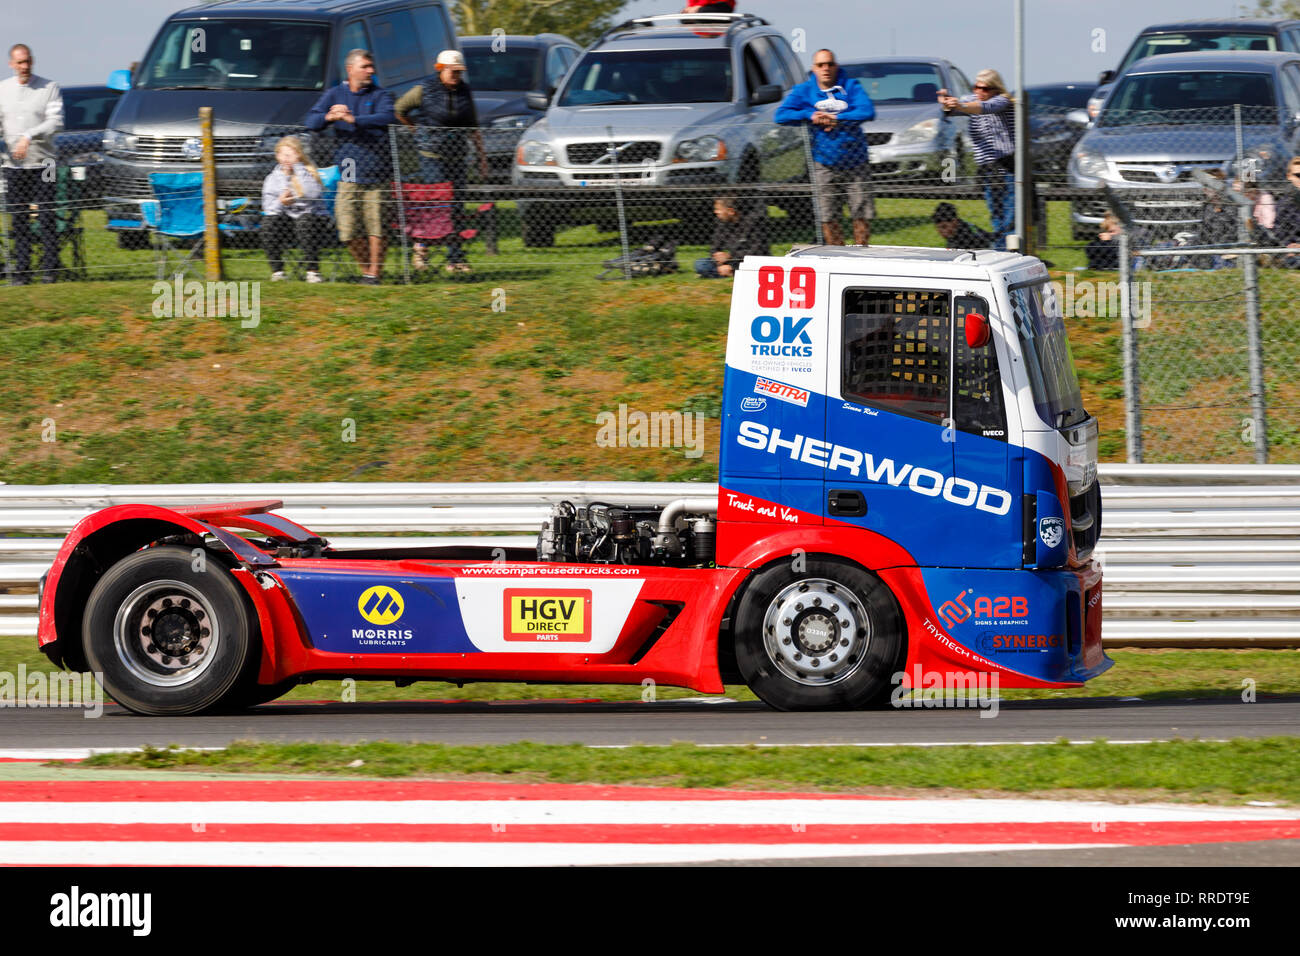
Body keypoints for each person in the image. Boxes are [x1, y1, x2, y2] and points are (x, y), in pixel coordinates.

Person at [304, 49, 395, 285]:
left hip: (377, 174)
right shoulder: (334, 94)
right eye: (365, 66)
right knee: (347, 230)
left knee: (377, 228)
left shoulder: (380, 94)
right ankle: (367, 271)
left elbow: (387, 117)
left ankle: (374, 275)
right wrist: (329, 117)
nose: (371, 71)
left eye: (371, 66)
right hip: (347, 175)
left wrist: (355, 120)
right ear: (350, 69)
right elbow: (310, 122)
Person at [395, 49, 488, 274]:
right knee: (436, 206)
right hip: (432, 157)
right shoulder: (424, 90)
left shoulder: (465, 92)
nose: (456, 76)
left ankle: (455, 258)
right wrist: (415, 129)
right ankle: (422, 249)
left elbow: (472, 125)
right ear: (440, 70)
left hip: (458, 156)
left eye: (459, 72)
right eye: (452, 71)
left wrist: (481, 156)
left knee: (456, 206)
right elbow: (400, 109)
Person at [776, 48, 875, 246]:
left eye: (830, 64)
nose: (826, 69)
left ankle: (861, 255)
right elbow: (781, 115)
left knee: (861, 213)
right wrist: (810, 115)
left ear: (836, 66)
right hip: (823, 163)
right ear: (814, 69)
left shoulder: (852, 86)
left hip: (856, 163)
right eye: (821, 65)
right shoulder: (803, 91)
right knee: (828, 215)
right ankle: (836, 256)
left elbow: (867, 111)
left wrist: (838, 119)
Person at [0, 43, 63, 284]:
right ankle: (22, 272)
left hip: (45, 163)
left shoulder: (49, 88)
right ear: (11, 64)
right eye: (20, 63)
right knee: (19, 218)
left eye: (27, 61)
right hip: (14, 167)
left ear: (32, 61)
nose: (24, 66)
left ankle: (49, 270)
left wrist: (28, 136)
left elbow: (55, 123)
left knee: (47, 215)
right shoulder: (2, 90)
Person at [939, 69, 1014, 251]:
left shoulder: (1003, 101)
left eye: (985, 88)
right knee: (996, 215)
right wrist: (947, 103)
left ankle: (1012, 252)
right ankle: (1000, 251)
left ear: (995, 89)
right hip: (988, 168)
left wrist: (960, 106)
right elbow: (952, 109)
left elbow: (985, 107)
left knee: (1010, 215)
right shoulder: (970, 100)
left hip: (1007, 166)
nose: (979, 92)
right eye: (976, 87)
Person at [261, 136, 330, 282]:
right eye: (283, 154)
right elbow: (270, 210)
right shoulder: (272, 179)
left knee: (305, 221)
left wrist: (297, 169)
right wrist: (282, 202)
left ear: (298, 155)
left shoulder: (308, 173)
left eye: (290, 154)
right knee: (268, 223)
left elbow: (312, 194)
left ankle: (313, 272)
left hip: (314, 222)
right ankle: (277, 272)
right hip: (289, 223)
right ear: (277, 156)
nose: (286, 158)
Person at [695, 195, 768, 278]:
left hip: (751, 262)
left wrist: (730, 256)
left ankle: (729, 272)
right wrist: (718, 259)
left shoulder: (751, 223)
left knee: (755, 264)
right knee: (701, 263)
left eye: (718, 209)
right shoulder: (722, 224)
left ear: (731, 211)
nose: (716, 212)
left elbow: (757, 251)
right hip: (730, 262)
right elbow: (714, 248)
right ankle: (728, 272)